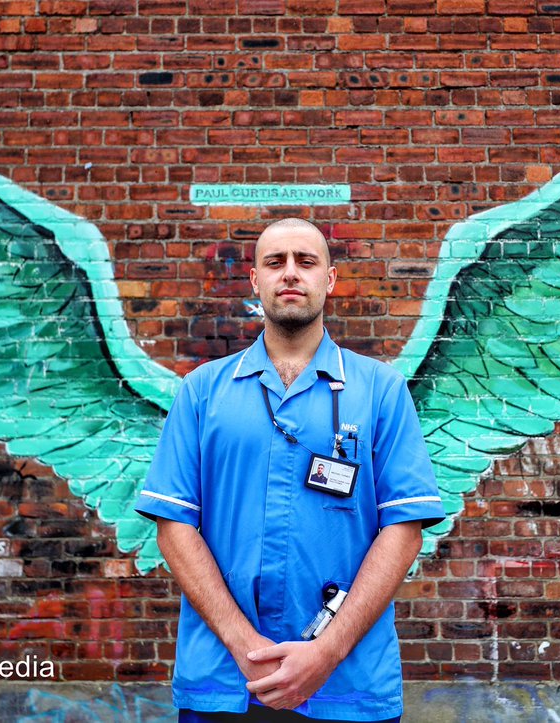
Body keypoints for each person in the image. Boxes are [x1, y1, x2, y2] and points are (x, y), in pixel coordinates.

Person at [135, 218, 445, 722]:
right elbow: (173, 525)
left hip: (347, 685)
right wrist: (246, 648)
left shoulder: (380, 391)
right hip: (226, 681)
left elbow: (404, 529)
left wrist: (327, 652)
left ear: (331, 278)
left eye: (306, 261)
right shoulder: (202, 392)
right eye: (275, 262)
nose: (291, 274)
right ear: (255, 280)